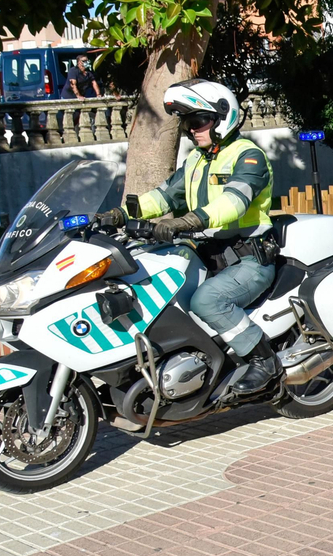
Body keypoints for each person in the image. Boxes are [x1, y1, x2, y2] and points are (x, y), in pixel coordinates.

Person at [95, 78, 282, 395]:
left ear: (223, 117)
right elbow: (163, 197)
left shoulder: (248, 156)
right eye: (188, 123)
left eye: (199, 121)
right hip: (209, 256)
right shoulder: (196, 161)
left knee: (207, 300)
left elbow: (234, 202)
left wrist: (187, 222)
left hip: (249, 260)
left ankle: (265, 362)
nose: (192, 129)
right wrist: (118, 215)